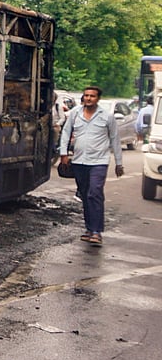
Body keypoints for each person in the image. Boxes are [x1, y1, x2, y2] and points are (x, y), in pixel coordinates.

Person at [58, 85, 124, 247]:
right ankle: (89, 228)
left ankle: (97, 232)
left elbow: (115, 139)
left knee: (95, 192)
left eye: (92, 96)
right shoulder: (75, 114)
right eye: (86, 95)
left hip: (99, 162)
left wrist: (119, 163)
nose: (88, 98)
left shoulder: (107, 117)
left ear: (98, 99)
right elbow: (66, 132)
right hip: (79, 161)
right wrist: (64, 154)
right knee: (85, 194)